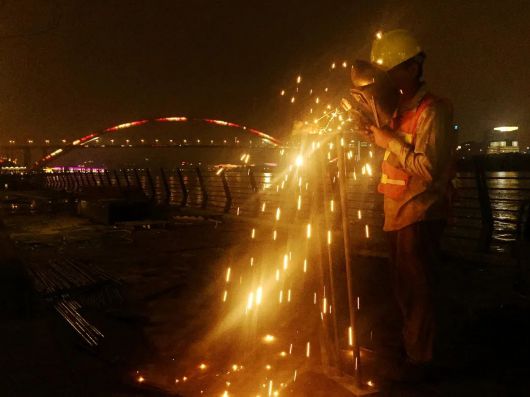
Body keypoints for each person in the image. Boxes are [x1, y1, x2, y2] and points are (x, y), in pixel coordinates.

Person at [367, 29, 457, 380]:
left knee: (419, 291)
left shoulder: (433, 110)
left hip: (420, 214)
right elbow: (395, 158)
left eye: (392, 71)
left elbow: (429, 169)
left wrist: (389, 141)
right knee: (405, 289)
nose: (387, 80)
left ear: (411, 67)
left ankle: (421, 361)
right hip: (397, 212)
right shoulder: (396, 112)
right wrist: (376, 134)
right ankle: (411, 348)